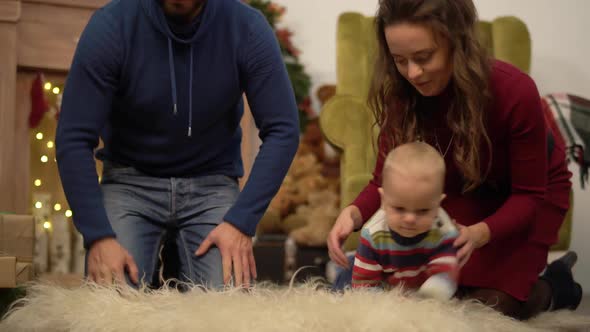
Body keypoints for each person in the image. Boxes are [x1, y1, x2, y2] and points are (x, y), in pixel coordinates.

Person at [327, 0, 582, 320]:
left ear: (456, 43)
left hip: (529, 196)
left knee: (492, 308)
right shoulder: (401, 94)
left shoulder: (515, 90)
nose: (413, 73)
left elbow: (529, 194)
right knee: (444, 294)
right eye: (400, 60)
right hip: (455, 187)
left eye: (423, 57)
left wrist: (479, 233)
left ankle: (556, 287)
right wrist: (351, 215)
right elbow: (382, 181)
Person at [55, 0, 300, 289]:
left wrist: (240, 222)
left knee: (227, 307)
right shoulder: (112, 25)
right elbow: (73, 136)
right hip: (130, 182)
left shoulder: (246, 27)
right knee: (110, 299)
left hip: (211, 185)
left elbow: (283, 129)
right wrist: (98, 236)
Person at [352, 142, 460, 301]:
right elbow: (363, 286)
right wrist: (390, 303)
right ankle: (347, 262)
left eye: (423, 210)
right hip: (386, 291)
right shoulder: (373, 235)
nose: (410, 219)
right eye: (399, 208)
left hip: (422, 291)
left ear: (438, 204)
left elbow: (446, 274)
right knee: (344, 282)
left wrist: (433, 294)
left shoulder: (443, 230)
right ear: (383, 200)